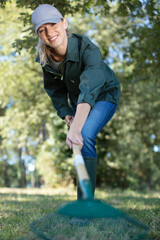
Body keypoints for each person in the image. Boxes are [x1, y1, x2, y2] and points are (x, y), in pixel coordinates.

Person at [31, 4, 120, 206]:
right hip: (79, 101)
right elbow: (55, 90)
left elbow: (89, 90)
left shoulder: (88, 50)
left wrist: (76, 129)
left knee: (85, 135)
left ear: (64, 22)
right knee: (81, 137)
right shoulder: (46, 60)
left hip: (104, 94)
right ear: (39, 35)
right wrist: (66, 115)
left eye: (52, 24)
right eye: (42, 30)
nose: (49, 33)